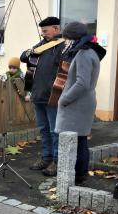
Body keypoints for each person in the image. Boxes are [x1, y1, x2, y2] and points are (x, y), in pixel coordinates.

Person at [55, 22, 106, 184]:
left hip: (77, 104)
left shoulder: (84, 54)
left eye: (67, 39)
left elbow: (82, 83)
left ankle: (77, 175)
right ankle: (80, 174)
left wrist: (64, 99)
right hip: (82, 103)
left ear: (74, 38)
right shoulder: (89, 51)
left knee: (77, 141)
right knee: (80, 140)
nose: (66, 42)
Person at [20, 17, 64, 176]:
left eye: (45, 31)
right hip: (38, 94)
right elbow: (23, 57)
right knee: (44, 130)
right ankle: (46, 158)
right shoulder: (42, 44)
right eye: (42, 31)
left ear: (56, 29)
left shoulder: (62, 46)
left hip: (53, 95)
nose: (43, 34)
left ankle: (57, 162)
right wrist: (30, 51)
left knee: (55, 131)